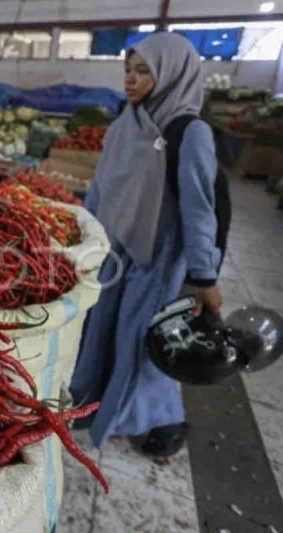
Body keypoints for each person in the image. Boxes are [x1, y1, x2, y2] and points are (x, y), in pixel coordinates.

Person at [70, 32, 223, 457]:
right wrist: (87, 240)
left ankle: (162, 421)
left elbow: (198, 210)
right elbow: (101, 185)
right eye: (128, 70)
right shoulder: (126, 123)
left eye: (143, 72)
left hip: (158, 258)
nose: (131, 80)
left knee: (143, 342)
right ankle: (93, 404)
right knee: (100, 329)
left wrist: (203, 275)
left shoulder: (189, 133)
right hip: (117, 250)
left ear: (172, 74)